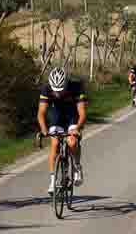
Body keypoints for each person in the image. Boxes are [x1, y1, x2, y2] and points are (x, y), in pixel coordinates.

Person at [38, 65, 88, 197]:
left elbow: (82, 113)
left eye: (61, 90)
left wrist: (77, 128)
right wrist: (43, 129)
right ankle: (53, 180)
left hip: (72, 115)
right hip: (56, 116)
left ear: (66, 84)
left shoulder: (76, 87)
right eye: (56, 91)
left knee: (72, 142)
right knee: (54, 144)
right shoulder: (46, 88)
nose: (58, 93)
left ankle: (77, 166)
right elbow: (41, 112)